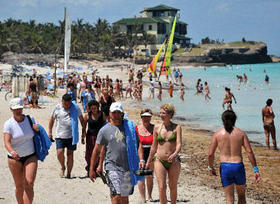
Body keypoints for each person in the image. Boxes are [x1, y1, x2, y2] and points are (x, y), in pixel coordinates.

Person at [89, 102, 145, 204]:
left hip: (128, 168)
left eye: (118, 112)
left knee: (124, 198)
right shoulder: (104, 130)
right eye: (114, 112)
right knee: (116, 196)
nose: (116, 114)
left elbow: (138, 144)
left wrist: (141, 159)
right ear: (110, 113)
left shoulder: (130, 127)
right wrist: (92, 168)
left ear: (122, 113)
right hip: (112, 167)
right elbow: (97, 150)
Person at [208, 110, 261, 204]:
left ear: (223, 120)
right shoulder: (241, 134)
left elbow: (210, 154)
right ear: (235, 120)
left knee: (229, 198)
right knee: (241, 196)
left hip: (225, 167)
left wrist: (211, 167)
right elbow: (249, 152)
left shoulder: (217, 134)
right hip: (238, 166)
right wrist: (255, 169)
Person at [3, 98, 39, 203]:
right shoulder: (8, 124)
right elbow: (7, 142)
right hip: (14, 159)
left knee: (29, 183)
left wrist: (38, 128)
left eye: (20, 108)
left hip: (30, 155)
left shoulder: (30, 119)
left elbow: (36, 133)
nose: (18, 111)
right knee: (19, 186)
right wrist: (12, 151)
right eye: (15, 109)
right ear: (11, 109)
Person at [146, 104, 182, 204]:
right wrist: (148, 161)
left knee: (173, 186)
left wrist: (175, 153)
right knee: (161, 187)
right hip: (159, 160)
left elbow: (179, 144)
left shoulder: (177, 127)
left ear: (170, 114)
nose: (161, 115)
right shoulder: (157, 127)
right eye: (160, 112)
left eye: (163, 113)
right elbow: (153, 147)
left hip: (173, 161)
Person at [48, 94, 85, 178]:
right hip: (60, 135)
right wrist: (50, 132)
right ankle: (63, 167)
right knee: (59, 153)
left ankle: (68, 173)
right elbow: (51, 120)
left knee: (70, 154)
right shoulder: (57, 108)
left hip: (72, 136)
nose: (67, 106)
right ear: (62, 101)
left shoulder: (75, 108)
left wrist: (83, 132)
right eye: (65, 104)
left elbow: (81, 120)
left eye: (69, 104)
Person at [82, 100, 106, 176]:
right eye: (92, 108)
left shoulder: (102, 114)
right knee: (89, 154)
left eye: (95, 108)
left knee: (99, 153)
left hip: (100, 137)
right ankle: (90, 168)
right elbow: (84, 127)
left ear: (98, 108)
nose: (93, 110)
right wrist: (82, 137)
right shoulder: (87, 115)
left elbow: (106, 125)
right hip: (90, 137)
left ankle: (97, 169)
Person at [136, 109, 155, 202]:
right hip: (140, 153)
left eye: (148, 116)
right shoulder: (136, 128)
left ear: (151, 117)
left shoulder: (155, 128)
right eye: (144, 116)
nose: (146, 118)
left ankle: (150, 196)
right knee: (141, 175)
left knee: (149, 176)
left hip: (152, 153)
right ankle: (143, 198)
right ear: (141, 117)